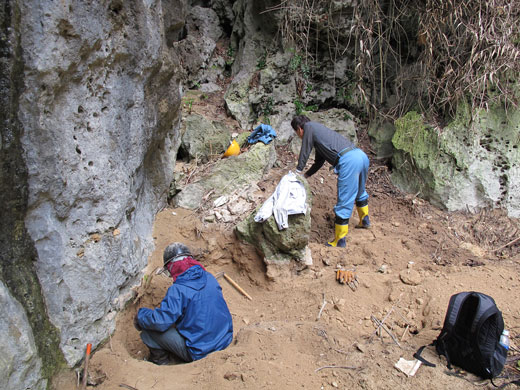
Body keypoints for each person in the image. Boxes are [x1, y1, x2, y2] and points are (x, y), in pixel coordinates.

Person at [134, 242, 233, 365]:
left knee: (149, 332)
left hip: (200, 352)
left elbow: (160, 322)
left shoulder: (178, 290)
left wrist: (141, 316)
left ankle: (161, 362)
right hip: (224, 340)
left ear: (170, 267)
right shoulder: (209, 277)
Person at [291, 115, 370, 247]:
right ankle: (365, 220)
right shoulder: (319, 132)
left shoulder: (309, 128)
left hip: (348, 161)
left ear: (299, 129)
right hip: (360, 156)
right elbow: (319, 161)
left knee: (344, 200)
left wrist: (297, 172)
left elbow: (305, 152)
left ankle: (339, 239)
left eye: (297, 133)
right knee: (360, 191)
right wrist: (306, 175)